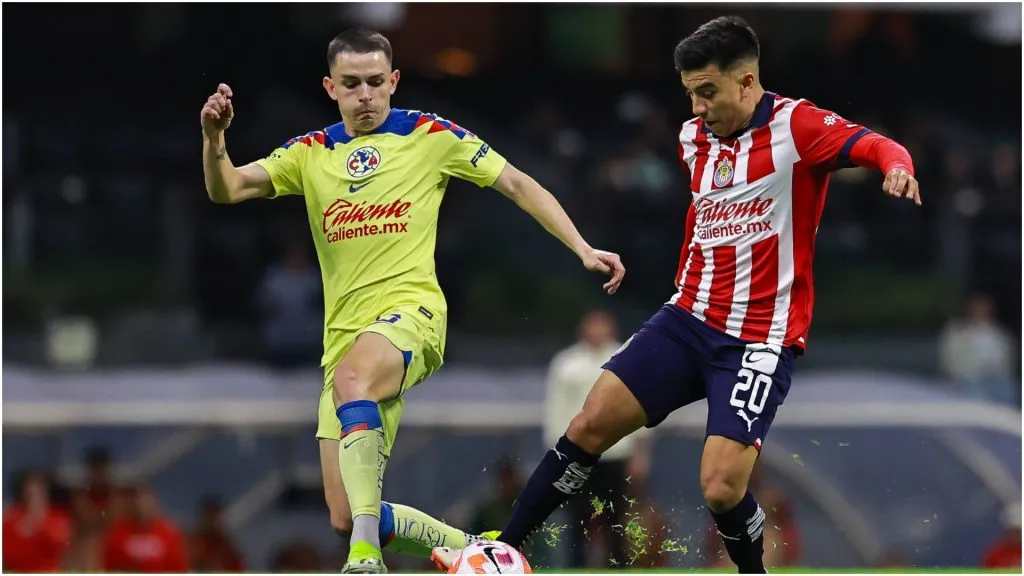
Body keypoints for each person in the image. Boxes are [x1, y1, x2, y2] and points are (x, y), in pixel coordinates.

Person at [434, 15, 921, 574]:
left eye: (707, 92)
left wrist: (898, 169)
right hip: (688, 317)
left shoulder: (798, 126)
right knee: (590, 422)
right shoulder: (693, 137)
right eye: (690, 93)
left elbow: (875, 144)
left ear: (747, 81)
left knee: (719, 486)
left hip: (758, 337)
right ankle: (503, 548)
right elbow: (706, 217)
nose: (696, 108)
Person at [200, 28, 625, 574]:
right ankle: (480, 551)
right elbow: (227, 188)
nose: (366, 95)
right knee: (344, 511)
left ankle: (364, 560)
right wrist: (215, 141)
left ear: (393, 80)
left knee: (355, 415)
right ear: (330, 87)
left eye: (376, 82)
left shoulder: (430, 134)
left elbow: (517, 183)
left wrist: (583, 247)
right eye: (351, 84)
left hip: (413, 316)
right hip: (343, 343)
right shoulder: (310, 153)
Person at [544, 310, 651, 567]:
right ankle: (577, 568)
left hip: (615, 453)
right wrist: (556, 454)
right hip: (577, 454)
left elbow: (640, 406)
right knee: (577, 519)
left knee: (616, 518)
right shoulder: (566, 363)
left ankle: (618, 567)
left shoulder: (625, 356)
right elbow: (555, 409)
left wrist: (640, 452)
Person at [2, 470, 72, 573]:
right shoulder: (11, 519)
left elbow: (58, 543)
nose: (35, 498)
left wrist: (38, 519)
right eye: (30, 494)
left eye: (39, 492)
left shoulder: (58, 518)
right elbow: (9, 552)